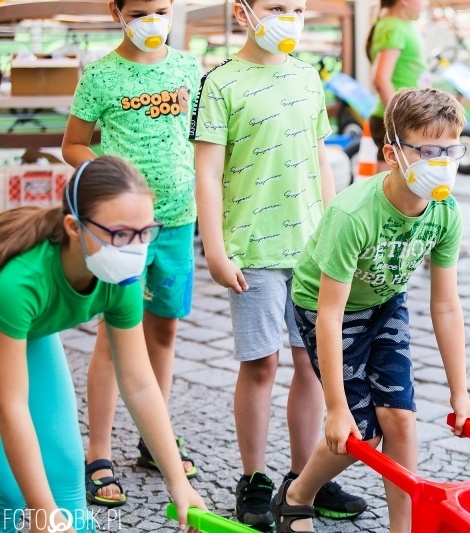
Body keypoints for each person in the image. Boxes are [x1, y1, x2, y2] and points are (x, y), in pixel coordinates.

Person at [270, 87, 470, 533]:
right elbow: (329, 314)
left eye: (450, 149)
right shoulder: (354, 215)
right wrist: (334, 407)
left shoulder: (446, 212)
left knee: (400, 418)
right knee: (357, 434)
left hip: (385, 302)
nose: (441, 161)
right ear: (392, 154)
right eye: (427, 150)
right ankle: (295, 497)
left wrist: (460, 393)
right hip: (325, 308)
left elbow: (445, 304)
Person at [191, 0, 367, 529]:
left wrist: (338, 230)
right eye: (275, 6)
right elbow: (207, 172)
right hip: (253, 251)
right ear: (242, 13)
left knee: (312, 365)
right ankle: (254, 478)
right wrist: (216, 248)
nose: (288, 16)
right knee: (260, 364)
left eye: (295, 7)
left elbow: (321, 158)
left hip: (313, 250)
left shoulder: (309, 77)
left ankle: (304, 477)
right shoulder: (220, 84)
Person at [0, 156, 206, 533]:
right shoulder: (18, 282)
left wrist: (179, 482)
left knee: (64, 477)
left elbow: (140, 384)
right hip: (8, 329)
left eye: (146, 232)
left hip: (29, 337)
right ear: (74, 228)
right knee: (14, 496)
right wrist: (40, 511)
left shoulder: (121, 279)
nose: (136, 247)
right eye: (121, 234)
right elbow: (11, 406)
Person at [62, 0, 201, 506]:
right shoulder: (100, 75)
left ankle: (152, 438)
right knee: (112, 334)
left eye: (160, 9)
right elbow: (73, 145)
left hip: (179, 223)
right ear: (117, 12)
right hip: (123, 229)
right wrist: (115, 175)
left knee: (163, 328)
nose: (152, 20)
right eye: (140, 10)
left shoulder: (188, 66)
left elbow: (196, 139)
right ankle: (98, 450)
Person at [366, 0, 430, 174]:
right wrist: (399, 118)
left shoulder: (402, 26)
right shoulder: (393, 27)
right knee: (389, 186)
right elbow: (380, 79)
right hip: (395, 118)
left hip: (405, 116)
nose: (427, 3)